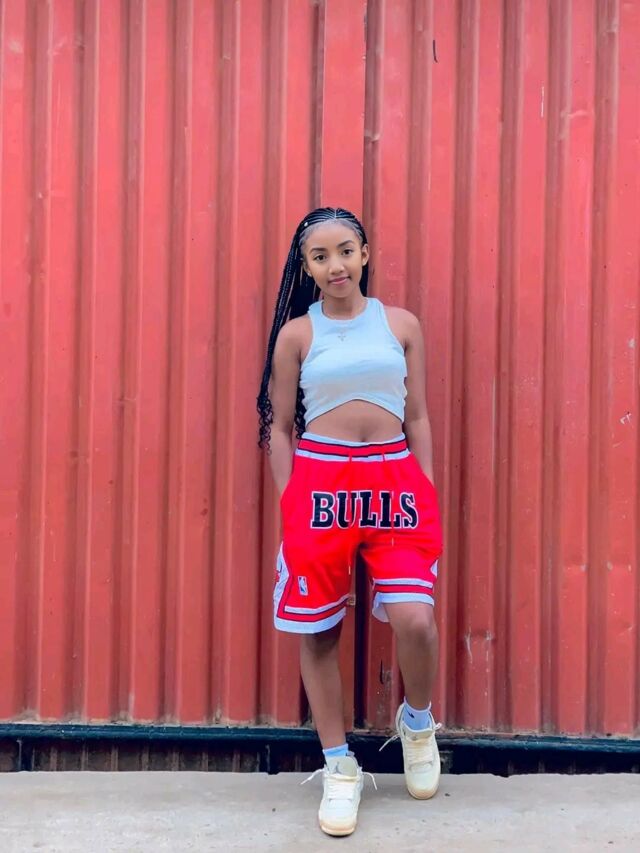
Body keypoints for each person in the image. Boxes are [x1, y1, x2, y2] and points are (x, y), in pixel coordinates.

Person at [257, 207, 443, 837]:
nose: (334, 265)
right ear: (306, 267)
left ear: (364, 253)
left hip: (393, 479)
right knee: (319, 630)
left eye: (345, 251)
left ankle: (417, 724)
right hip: (320, 482)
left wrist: (424, 484)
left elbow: (417, 416)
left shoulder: (401, 325)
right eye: (320, 256)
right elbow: (280, 427)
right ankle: (339, 766)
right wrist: (291, 500)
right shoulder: (297, 335)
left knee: (416, 618)